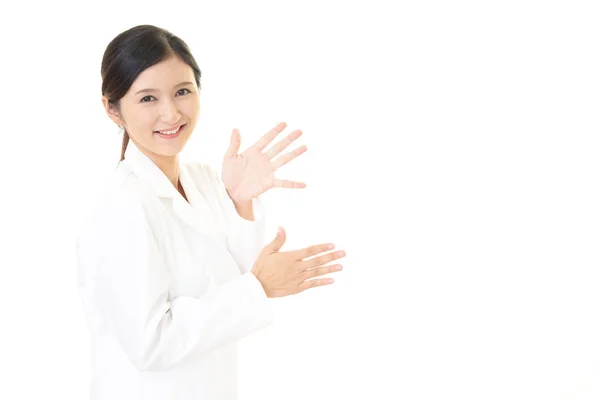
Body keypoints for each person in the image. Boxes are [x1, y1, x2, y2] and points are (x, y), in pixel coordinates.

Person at [75, 24, 346, 400]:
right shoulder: (120, 207)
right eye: (148, 99)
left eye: (182, 92)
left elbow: (237, 275)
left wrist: (240, 200)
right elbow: (151, 343)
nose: (171, 113)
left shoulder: (203, 181)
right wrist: (258, 287)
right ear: (112, 108)